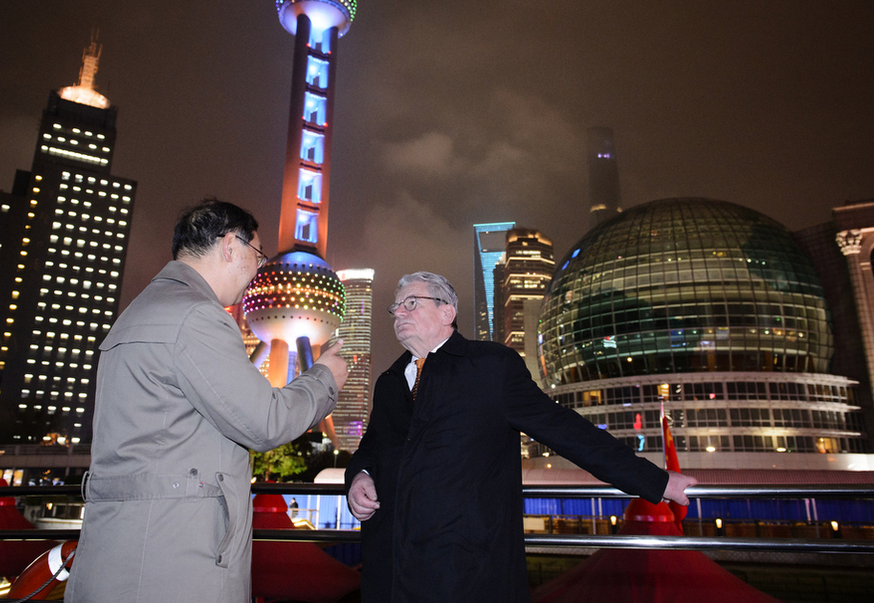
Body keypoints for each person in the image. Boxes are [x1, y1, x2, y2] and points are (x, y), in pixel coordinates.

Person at [345, 272, 696, 602]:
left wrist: (655, 481)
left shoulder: (490, 367)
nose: (398, 314)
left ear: (446, 312)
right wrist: (359, 475)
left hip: (464, 569)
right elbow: (371, 447)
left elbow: (564, 429)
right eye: (395, 307)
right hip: (390, 568)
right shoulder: (389, 381)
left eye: (411, 303)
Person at [65, 199, 348, 603]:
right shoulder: (196, 316)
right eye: (258, 254)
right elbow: (264, 421)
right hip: (172, 560)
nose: (258, 270)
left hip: (119, 550)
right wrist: (324, 379)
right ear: (231, 245)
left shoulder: (134, 316)